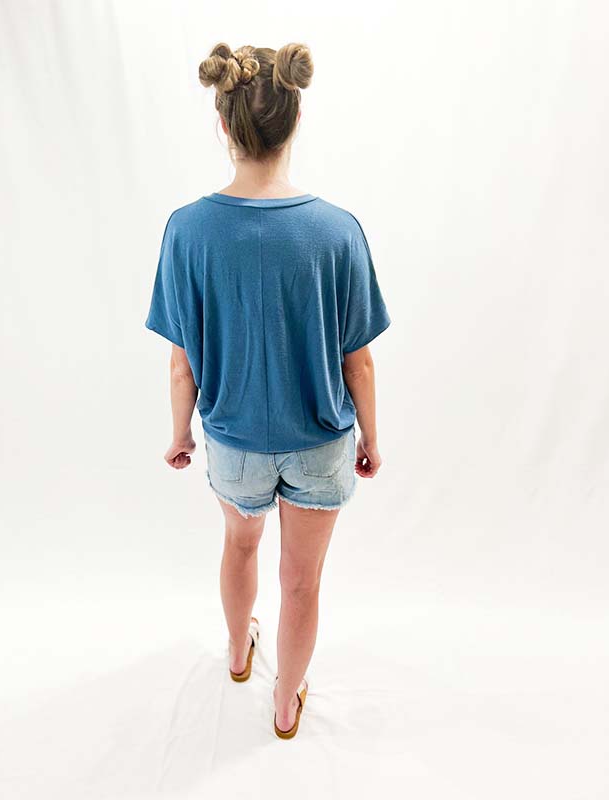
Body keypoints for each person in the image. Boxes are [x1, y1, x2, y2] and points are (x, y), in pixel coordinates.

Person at [144, 42, 391, 739]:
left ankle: (237, 654)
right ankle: (286, 707)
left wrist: (179, 434)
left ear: (223, 124)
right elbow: (359, 363)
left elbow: (181, 363)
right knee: (301, 581)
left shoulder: (187, 230)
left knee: (240, 546)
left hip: (234, 440)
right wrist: (372, 438)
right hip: (320, 442)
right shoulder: (337, 231)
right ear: (297, 118)